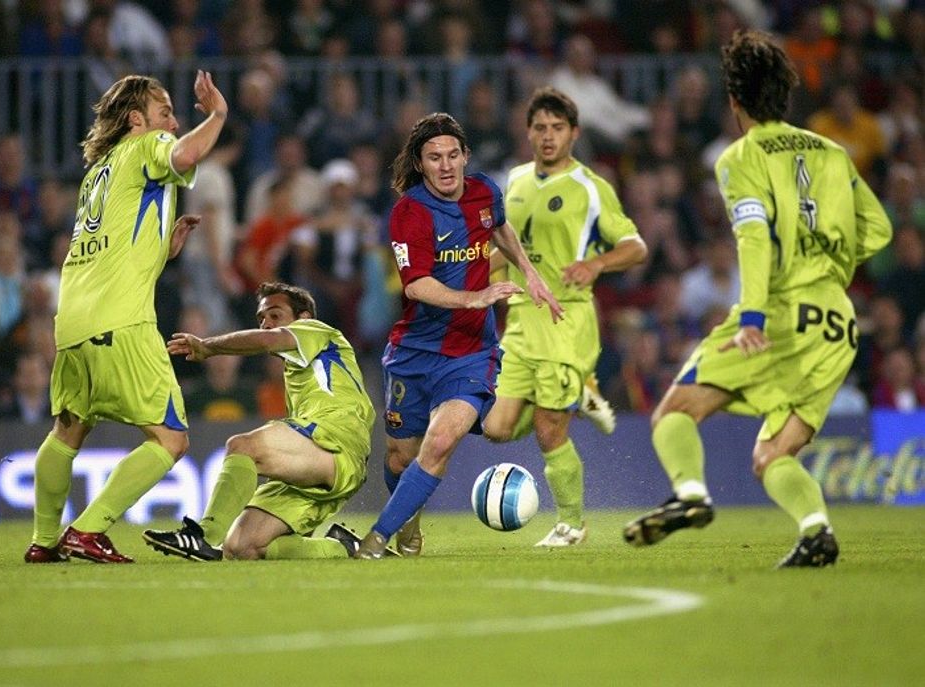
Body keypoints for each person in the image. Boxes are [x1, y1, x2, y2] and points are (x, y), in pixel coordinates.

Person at [623, 30, 892, 568]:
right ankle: (816, 531)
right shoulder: (834, 154)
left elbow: (752, 237)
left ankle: (691, 495)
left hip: (779, 313)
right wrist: (829, 263)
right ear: (785, 95)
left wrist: (751, 314)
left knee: (675, 411)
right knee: (773, 454)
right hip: (837, 324)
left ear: (734, 100)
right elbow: (879, 230)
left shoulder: (738, 157)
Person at [23, 70, 228, 564]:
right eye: (165, 113)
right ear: (137, 120)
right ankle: (89, 529)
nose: (174, 123)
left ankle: (44, 540)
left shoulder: (97, 174)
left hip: (72, 323)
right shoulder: (146, 146)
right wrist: (218, 114)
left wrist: (164, 250)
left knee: (67, 431)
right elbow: (185, 154)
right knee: (171, 438)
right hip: (123, 322)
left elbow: (112, 249)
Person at [349, 112, 563, 559]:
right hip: (414, 352)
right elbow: (415, 285)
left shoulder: (485, 191)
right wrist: (474, 297)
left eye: (452, 155)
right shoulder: (410, 212)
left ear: (465, 155)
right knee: (399, 459)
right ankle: (409, 527)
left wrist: (529, 271)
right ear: (420, 164)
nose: (445, 166)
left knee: (441, 441)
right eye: (434, 158)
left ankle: (378, 537)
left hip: (471, 353)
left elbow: (500, 227)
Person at [482, 87, 647, 547]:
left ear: (574, 133)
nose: (548, 136)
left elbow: (636, 247)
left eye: (558, 128)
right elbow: (504, 250)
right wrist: (473, 279)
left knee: (548, 428)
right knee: (495, 427)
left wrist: (596, 264)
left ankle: (571, 525)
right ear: (528, 132)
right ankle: (581, 391)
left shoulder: (592, 188)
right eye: (540, 128)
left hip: (566, 319)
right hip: (519, 321)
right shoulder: (513, 181)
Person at [142, 282, 375, 561]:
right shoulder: (299, 370)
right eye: (261, 318)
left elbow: (267, 340)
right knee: (242, 548)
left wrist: (207, 347)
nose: (266, 324)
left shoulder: (317, 331)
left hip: (336, 441)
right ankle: (347, 548)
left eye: (275, 315)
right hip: (319, 457)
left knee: (243, 446)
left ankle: (201, 536)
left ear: (303, 318)